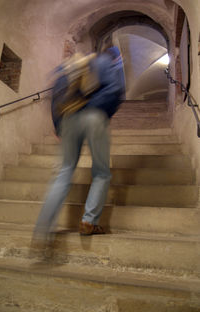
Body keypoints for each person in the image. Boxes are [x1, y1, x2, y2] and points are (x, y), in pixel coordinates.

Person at [31, 46, 125, 249]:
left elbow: (56, 96)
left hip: (68, 119)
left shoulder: (69, 66)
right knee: (101, 173)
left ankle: (43, 227)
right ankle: (89, 221)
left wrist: (58, 126)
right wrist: (98, 112)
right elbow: (116, 89)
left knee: (64, 172)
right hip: (94, 117)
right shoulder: (105, 62)